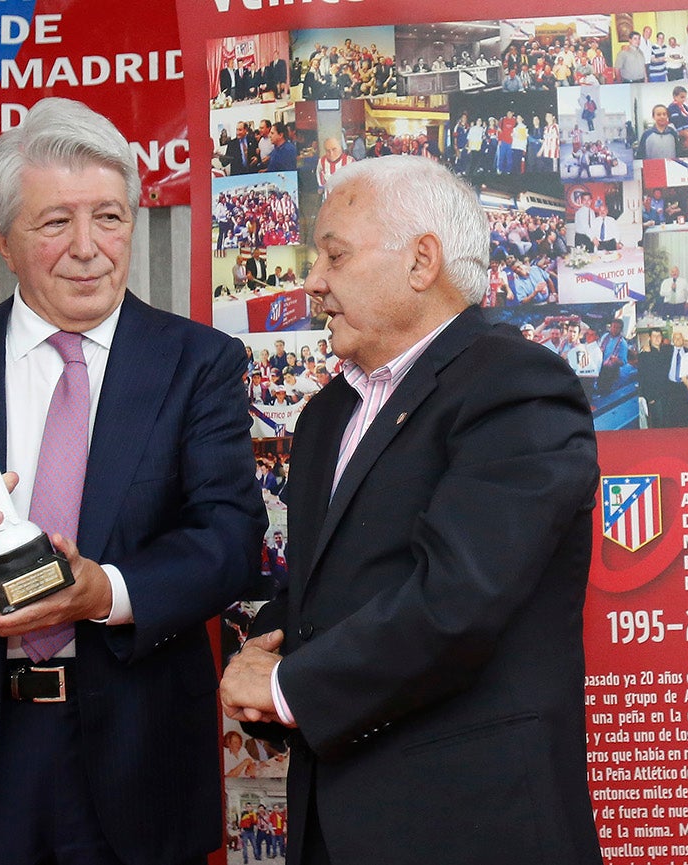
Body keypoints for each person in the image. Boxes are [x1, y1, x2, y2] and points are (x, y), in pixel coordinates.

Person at [0, 98, 267, 865]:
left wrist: (104, 591)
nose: (88, 249)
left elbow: (229, 539)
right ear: (2, 240)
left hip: (138, 755)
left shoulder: (199, 363)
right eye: (54, 222)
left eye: (109, 216)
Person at [217, 156, 602, 865]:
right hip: (333, 827)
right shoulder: (328, 414)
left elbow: (456, 601)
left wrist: (284, 684)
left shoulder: (516, 387)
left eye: (334, 254)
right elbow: (324, 594)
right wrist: (262, 654)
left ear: (423, 260)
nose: (314, 282)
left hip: (471, 831)